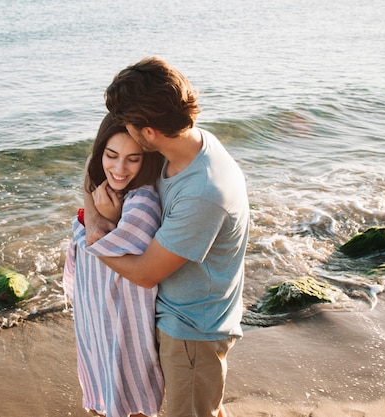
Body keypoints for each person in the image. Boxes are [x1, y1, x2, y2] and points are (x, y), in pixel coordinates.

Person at [84, 56, 250, 417]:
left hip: (193, 328)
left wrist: (93, 240)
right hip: (179, 315)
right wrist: (97, 214)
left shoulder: (204, 191)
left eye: (128, 125)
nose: (124, 130)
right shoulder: (180, 147)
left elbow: (145, 273)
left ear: (148, 131)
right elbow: (94, 164)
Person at [63, 112, 165, 417]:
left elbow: (102, 244)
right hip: (96, 315)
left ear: (146, 159)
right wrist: (96, 211)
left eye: (133, 159)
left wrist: (104, 220)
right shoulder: (103, 191)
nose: (119, 169)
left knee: (130, 400)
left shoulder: (143, 201)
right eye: (111, 155)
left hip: (126, 322)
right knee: (100, 391)